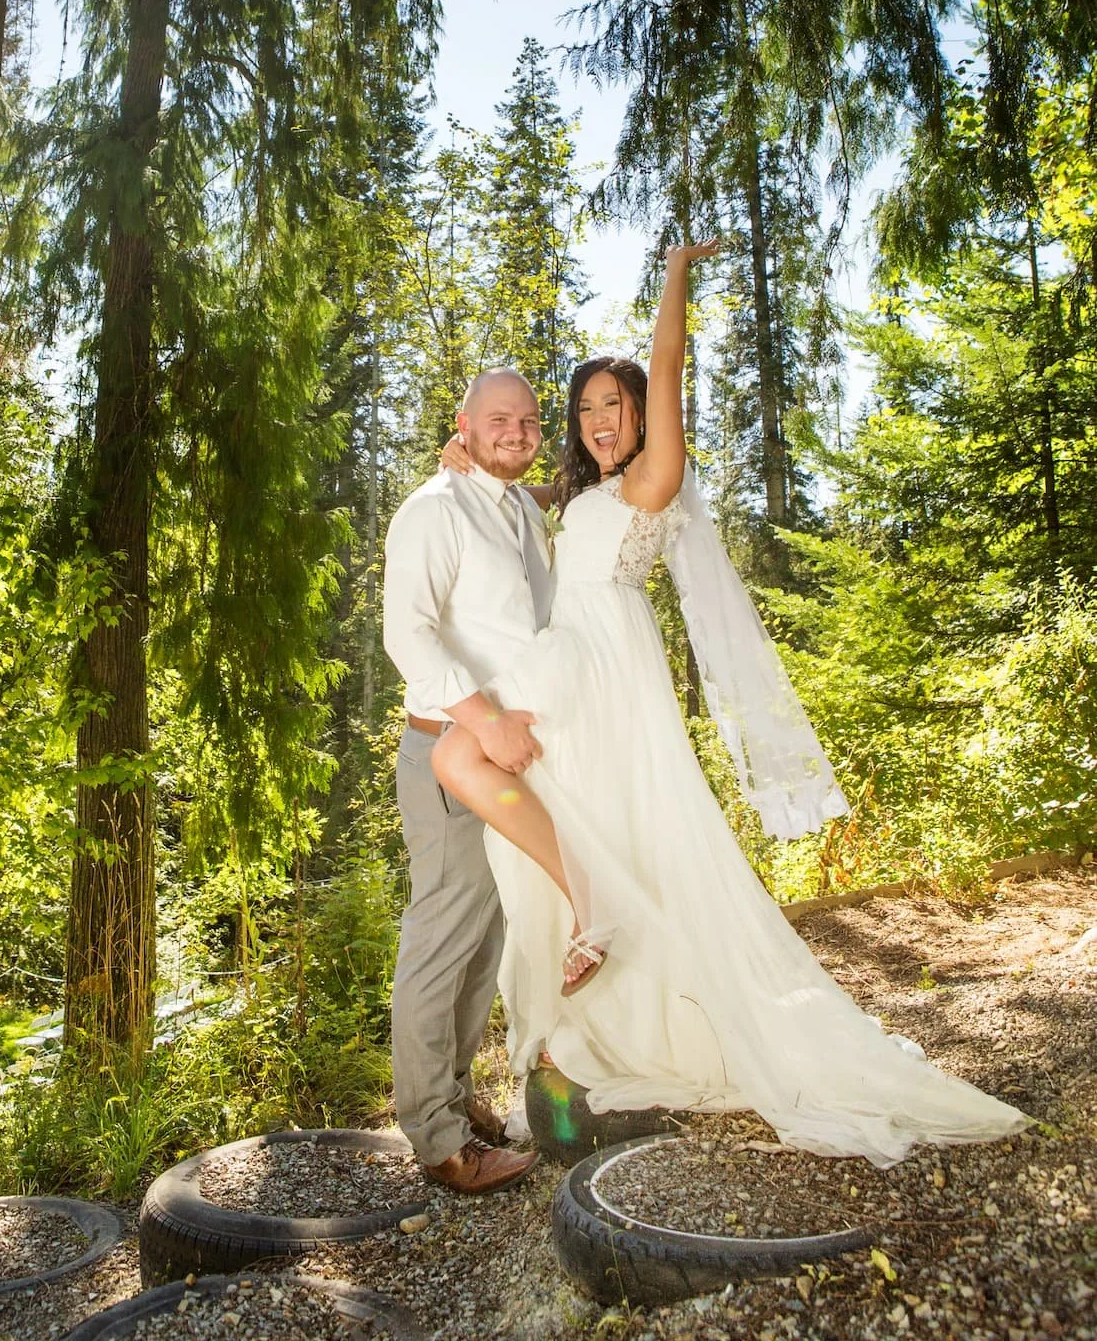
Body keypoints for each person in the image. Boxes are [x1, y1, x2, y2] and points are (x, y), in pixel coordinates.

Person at [434, 241, 1027, 1168]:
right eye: (585, 406)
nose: (598, 419)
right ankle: (594, 1005)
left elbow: (667, 368)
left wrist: (674, 276)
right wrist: (467, 454)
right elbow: (523, 496)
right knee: (584, 823)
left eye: (614, 404)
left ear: (639, 416)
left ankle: (594, 916)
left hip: (593, 662)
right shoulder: (581, 493)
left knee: (463, 757)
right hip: (578, 664)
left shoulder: (651, 481)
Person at [382, 369, 551, 1193]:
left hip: (506, 761)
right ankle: (435, 1139)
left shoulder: (517, 506)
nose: (514, 431)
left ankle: (451, 1099)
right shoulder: (431, 510)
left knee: (483, 943)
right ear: (463, 424)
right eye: (496, 420)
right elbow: (406, 635)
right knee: (441, 943)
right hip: (451, 752)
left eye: (526, 419)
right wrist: (485, 720)